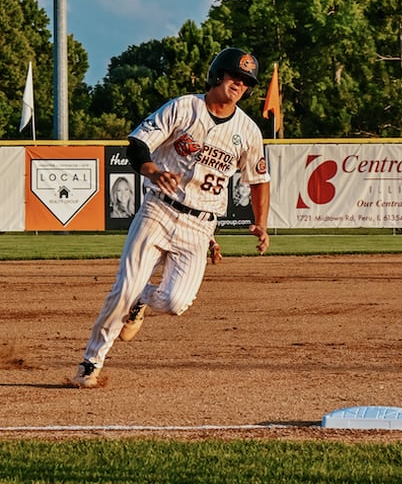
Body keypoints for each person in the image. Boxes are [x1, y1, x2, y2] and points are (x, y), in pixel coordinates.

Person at [71, 47, 272, 388]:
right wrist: (151, 170)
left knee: (175, 302)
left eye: (246, 82)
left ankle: (141, 300)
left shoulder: (248, 131)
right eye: (235, 76)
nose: (239, 85)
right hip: (159, 210)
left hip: (200, 225)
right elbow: (137, 144)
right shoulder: (184, 108)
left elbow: (259, 180)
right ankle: (92, 360)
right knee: (123, 287)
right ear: (218, 75)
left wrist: (261, 223)